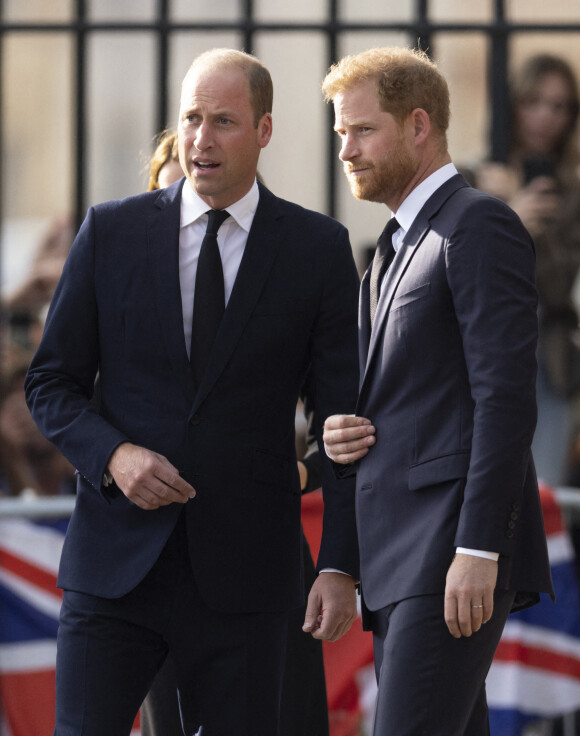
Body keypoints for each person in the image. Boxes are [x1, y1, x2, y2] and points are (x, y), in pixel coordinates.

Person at [25, 48, 360, 736]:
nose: (201, 140)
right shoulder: (111, 231)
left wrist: (340, 566)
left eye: (224, 121)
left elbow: (342, 416)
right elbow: (51, 383)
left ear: (265, 130)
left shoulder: (315, 249)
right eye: (191, 119)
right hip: (114, 570)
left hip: (247, 577)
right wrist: (115, 456)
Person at [321, 46, 554, 736]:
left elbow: (506, 397)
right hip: (398, 563)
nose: (346, 150)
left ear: (419, 126)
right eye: (339, 135)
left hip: (449, 553)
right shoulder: (392, 249)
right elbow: (404, 397)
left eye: (362, 131)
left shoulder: (477, 223)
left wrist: (479, 547)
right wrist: (343, 430)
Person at [139, 131, 330, 736]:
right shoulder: (125, 286)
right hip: (156, 559)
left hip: (263, 558)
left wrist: (298, 474)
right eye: (173, 192)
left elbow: (341, 412)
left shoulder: (291, 270)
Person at [472, 54, 580, 487]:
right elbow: (459, 269)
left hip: (547, 362)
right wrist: (506, 214)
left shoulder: (571, 194)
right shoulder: (471, 179)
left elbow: (560, 288)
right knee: (476, 490)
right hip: (475, 357)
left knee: (542, 493)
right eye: (534, 101)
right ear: (513, 104)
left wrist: (531, 222)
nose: (545, 117)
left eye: (559, 106)